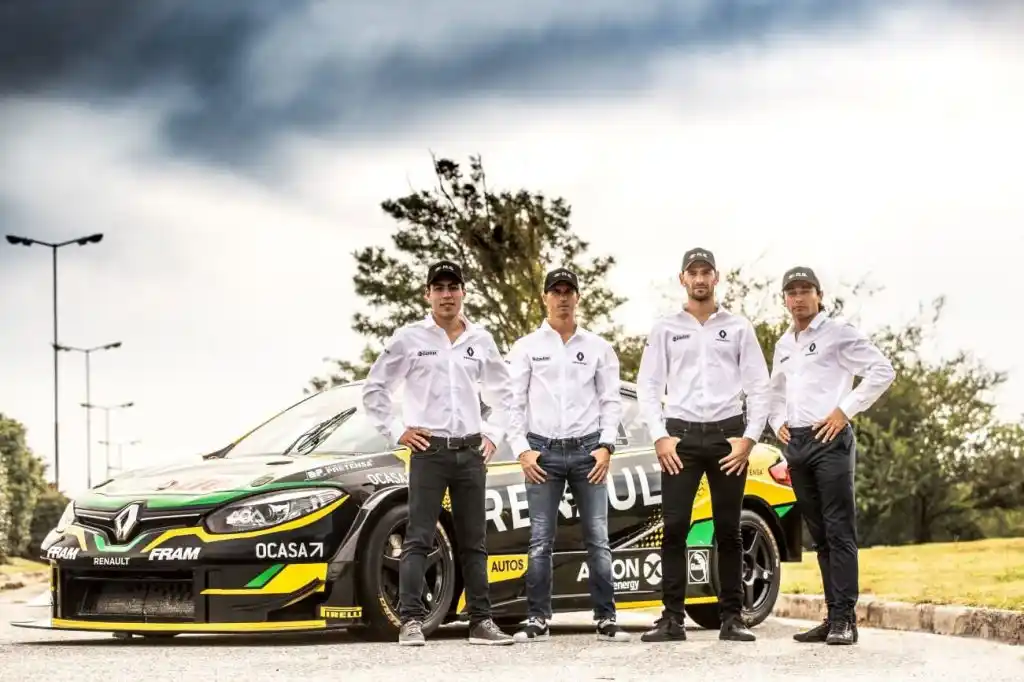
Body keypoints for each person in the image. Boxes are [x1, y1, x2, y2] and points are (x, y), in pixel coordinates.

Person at [362, 259, 515, 647]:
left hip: (470, 452)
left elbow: (505, 394)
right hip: (429, 452)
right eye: (439, 287)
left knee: (474, 541)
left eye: (453, 287)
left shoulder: (481, 340)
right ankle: (410, 621)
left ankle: (481, 622)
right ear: (428, 294)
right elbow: (374, 390)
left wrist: (493, 435)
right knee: (419, 536)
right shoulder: (408, 338)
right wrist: (398, 431)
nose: (447, 294)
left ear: (464, 292)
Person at [635, 247, 772, 643]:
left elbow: (759, 388)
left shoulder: (739, 327)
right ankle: (672, 620)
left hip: (728, 437)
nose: (699, 279)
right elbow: (647, 386)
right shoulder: (664, 328)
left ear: (716, 277)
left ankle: (733, 618)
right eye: (692, 272)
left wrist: (748, 439)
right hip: (679, 437)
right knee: (675, 527)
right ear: (682, 279)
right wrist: (660, 436)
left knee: (728, 530)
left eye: (705, 272)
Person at [769, 266, 895, 646]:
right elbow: (775, 392)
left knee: (840, 530)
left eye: (805, 290)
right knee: (819, 533)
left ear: (819, 296)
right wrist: (778, 423)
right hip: (798, 444)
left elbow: (882, 370)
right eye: (791, 292)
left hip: (831, 439)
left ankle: (846, 620)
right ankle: (831, 615)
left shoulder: (838, 333)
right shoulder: (783, 345)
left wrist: (846, 410)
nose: (798, 298)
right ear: (785, 300)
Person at [504, 267, 629, 643]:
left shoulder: (598, 347)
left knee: (598, 537)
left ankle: (606, 619)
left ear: (577, 297)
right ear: (545, 298)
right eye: (555, 291)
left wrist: (606, 446)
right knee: (541, 539)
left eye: (568, 291)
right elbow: (514, 404)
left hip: (588, 452)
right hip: (541, 453)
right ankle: (538, 619)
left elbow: (611, 402)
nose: (562, 298)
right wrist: (522, 451)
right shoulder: (526, 347)